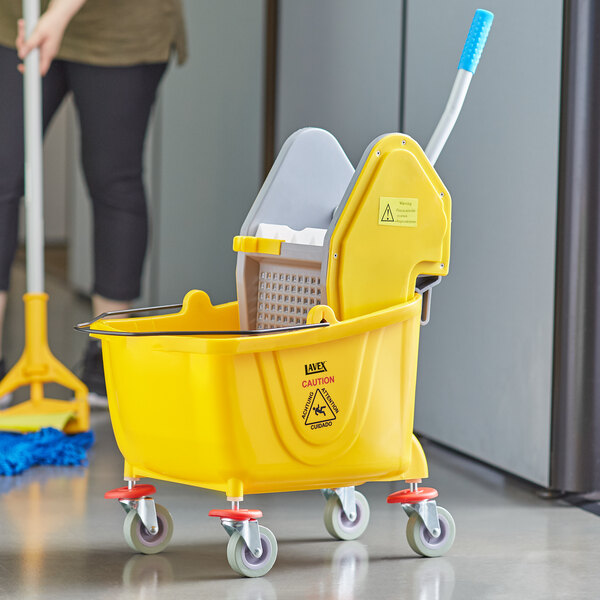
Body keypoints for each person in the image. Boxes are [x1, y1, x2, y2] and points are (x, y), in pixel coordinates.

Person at [0, 0, 187, 406]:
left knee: (112, 179)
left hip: (121, 28)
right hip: (18, 20)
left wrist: (59, 13)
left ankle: (107, 355)